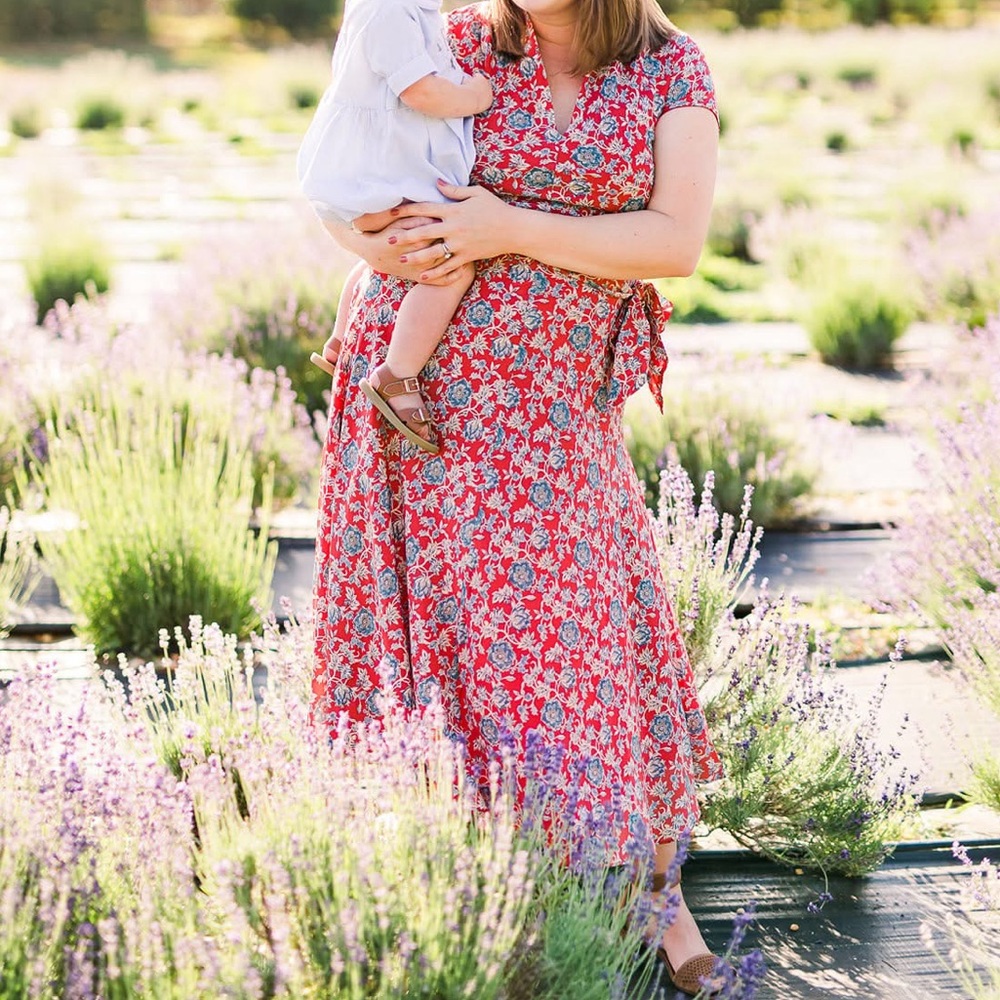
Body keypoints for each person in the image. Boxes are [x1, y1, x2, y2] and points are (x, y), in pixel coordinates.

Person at [310, 0, 723, 993]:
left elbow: (674, 243)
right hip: (429, 402)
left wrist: (507, 226)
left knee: (580, 635)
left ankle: (653, 889)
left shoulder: (671, 70)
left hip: (554, 409)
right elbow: (342, 162)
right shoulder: (452, 42)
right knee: (463, 648)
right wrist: (369, 253)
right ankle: (488, 896)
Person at [297, 0, 493, 453]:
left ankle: (341, 341)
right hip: (377, 177)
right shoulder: (390, 10)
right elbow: (420, 91)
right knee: (448, 267)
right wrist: (475, 97)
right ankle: (398, 374)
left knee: (386, 253)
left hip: (369, 175)